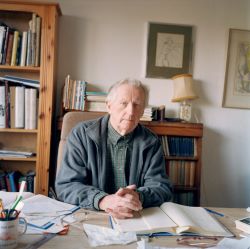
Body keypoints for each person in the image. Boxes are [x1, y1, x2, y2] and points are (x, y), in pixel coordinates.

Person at [55, 78, 172, 219]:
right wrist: (103, 200)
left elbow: (161, 187)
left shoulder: (151, 142)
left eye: (137, 105)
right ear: (108, 105)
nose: (130, 111)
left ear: (142, 111)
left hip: (135, 216)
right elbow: (67, 185)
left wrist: (138, 196)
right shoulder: (81, 135)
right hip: (91, 214)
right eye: (124, 103)